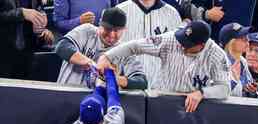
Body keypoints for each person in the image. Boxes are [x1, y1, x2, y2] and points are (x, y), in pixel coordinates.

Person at [97, 20, 230, 112]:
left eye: (188, 44)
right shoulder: (171, 39)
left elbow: (224, 88)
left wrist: (202, 93)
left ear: (201, 45)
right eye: (183, 39)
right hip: (162, 100)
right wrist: (107, 56)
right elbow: (135, 46)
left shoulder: (216, 55)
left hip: (193, 108)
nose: (182, 45)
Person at [56, 7, 147, 90]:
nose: (111, 35)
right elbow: (62, 46)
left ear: (124, 30)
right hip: (67, 91)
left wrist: (114, 78)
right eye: (108, 28)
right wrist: (90, 63)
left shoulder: (125, 50)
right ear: (100, 24)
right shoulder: (87, 30)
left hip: (101, 101)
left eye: (116, 30)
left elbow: (142, 82)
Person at [116, 0, 182, 89]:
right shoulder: (120, 10)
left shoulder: (173, 14)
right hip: (127, 85)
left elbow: (178, 55)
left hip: (161, 88)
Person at [0, 0, 54, 79]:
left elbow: (36, 21)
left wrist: (43, 33)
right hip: (4, 56)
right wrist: (21, 13)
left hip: (27, 57)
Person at [218, 23, 253, 97]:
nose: (247, 42)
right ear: (231, 42)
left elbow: (247, 89)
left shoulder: (242, 61)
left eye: (247, 38)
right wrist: (233, 81)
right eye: (243, 39)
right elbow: (216, 93)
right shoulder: (219, 61)